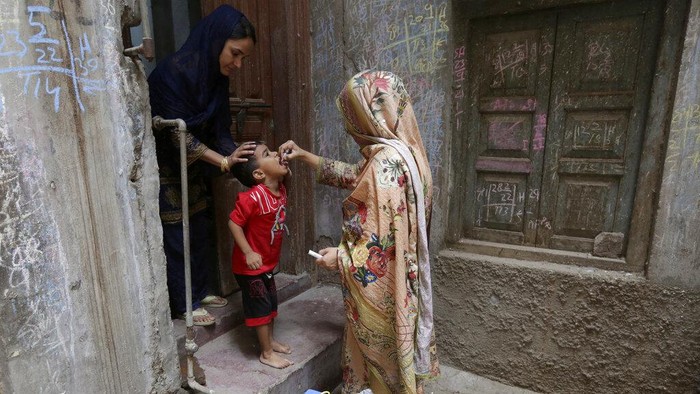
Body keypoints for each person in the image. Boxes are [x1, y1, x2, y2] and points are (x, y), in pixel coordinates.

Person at [279, 71, 440, 393]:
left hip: (384, 291)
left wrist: (339, 257)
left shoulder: (384, 166)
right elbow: (357, 176)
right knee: (398, 357)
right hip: (405, 282)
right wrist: (306, 156)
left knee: (382, 363)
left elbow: (378, 246)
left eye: (351, 118)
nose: (349, 128)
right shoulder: (407, 153)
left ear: (366, 117)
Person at [148, 5, 257, 326]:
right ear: (216, 41)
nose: (237, 64)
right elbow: (177, 135)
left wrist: (246, 165)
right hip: (167, 166)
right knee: (176, 233)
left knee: (200, 227)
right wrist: (224, 160)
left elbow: (219, 130)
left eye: (243, 59)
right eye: (234, 54)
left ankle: (202, 289)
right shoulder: (172, 74)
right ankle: (185, 302)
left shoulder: (215, 78)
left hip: (197, 167)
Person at [228, 142, 293, 369]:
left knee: (271, 303)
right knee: (261, 307)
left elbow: (285, 177)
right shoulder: (253, 198)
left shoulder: (280, 189)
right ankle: (266, 353)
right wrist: (248, 252)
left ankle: (270, 341)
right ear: (258, 173)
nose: (276, 153)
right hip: (250, 268)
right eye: (268, 154)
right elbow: (233, 223)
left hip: (267, 264)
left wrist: (283, 165)